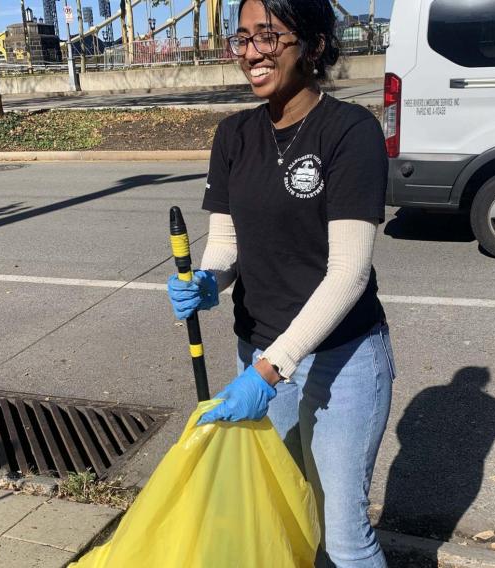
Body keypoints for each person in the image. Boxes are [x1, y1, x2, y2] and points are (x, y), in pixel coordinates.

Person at [166, 0, 395, 565]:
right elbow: (227, 244)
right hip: (260, 351)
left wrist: (271, 368)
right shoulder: (234, 135)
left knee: (342, 533)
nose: (251, 53)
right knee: (286, 511)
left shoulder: (350, 131)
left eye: (267, 36)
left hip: (341, 357)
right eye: (243, 38)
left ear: (313, 45)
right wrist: (209, 279)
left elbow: (348, 274)